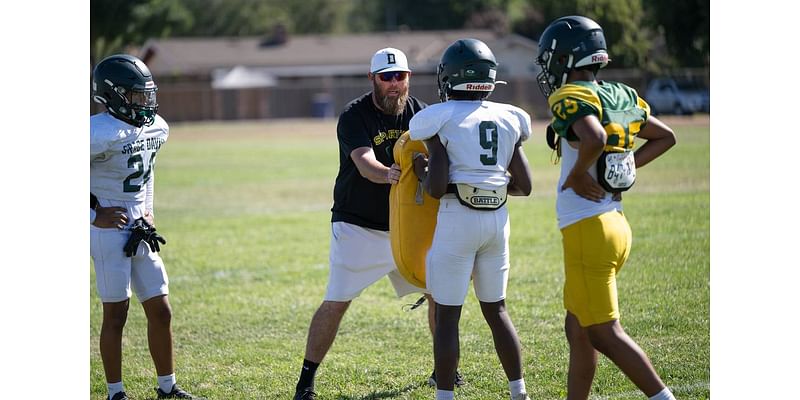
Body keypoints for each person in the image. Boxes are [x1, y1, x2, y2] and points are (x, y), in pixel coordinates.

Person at [292, 47, 464, 400]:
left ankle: (443, 371)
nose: (394, 84)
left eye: (400, 76)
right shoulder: (355, 115)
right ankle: (306, 382)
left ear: (409, 78)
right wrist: (391, 174)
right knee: (337, 301)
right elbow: (364, 162)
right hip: (359, 225)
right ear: (372, 79)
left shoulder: (422, 113)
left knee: (438, 293)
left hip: (408, 225)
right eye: (386, 77)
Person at [535, 16, 678, 400]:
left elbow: (594, 137)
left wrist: (580, 172)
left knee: (602, 332)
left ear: (565, 58)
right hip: (614, 222)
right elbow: (665, 137)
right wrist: (621, 165)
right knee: (578, 329)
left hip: (588, 228)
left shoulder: (571, 96)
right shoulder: (620, 94)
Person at [409, 39, 533, 400]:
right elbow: (524, 185)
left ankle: (445, 396)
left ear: (449, 77)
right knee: (497, 311)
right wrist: (486, 184)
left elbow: (433, 189)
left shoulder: (437, 116)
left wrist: (425, 168)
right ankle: (518, 391)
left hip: (457, 219)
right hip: (497, 222)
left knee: (447, 317)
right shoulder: (511, 117)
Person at [90, 54, 204, 400]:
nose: (145, 103)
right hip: (107, 228)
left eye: (147, 95)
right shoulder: (96, 132)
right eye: (136, 96)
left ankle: (167, 387)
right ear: (113, 95)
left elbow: (148, 172)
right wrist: (93, 214)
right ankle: (115, 393)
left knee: (161, 309)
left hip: (140, 225)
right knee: (116, 314)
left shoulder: (157, 126)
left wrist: (149, 210)